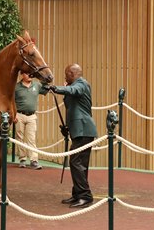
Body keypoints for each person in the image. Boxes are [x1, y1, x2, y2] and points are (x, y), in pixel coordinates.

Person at [49, 63, 97, 208]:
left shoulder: (82, 84)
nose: (65, 76)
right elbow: (73, 105)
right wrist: (68, 127)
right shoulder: (75, 87)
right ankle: (78, 194)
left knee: (76, 162)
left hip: (84, 129)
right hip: (79, 130)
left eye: (66, 74)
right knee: (79, 164)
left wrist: (56, 88)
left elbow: (74, 90)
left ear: (71, 73)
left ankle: (85, 196)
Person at [14, 72, 48, 170]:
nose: (29, 75)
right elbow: (10, 101)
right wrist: (13, 114)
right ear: (22, 75)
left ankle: (34, 161)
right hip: (19, 115)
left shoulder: (37, 85)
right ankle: (22, 160)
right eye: (27, 73)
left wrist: (44, 79)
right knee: (19, 137)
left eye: (30, 74)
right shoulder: (16, 87)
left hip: (32, 116)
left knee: (31, 138)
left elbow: (46, 89)